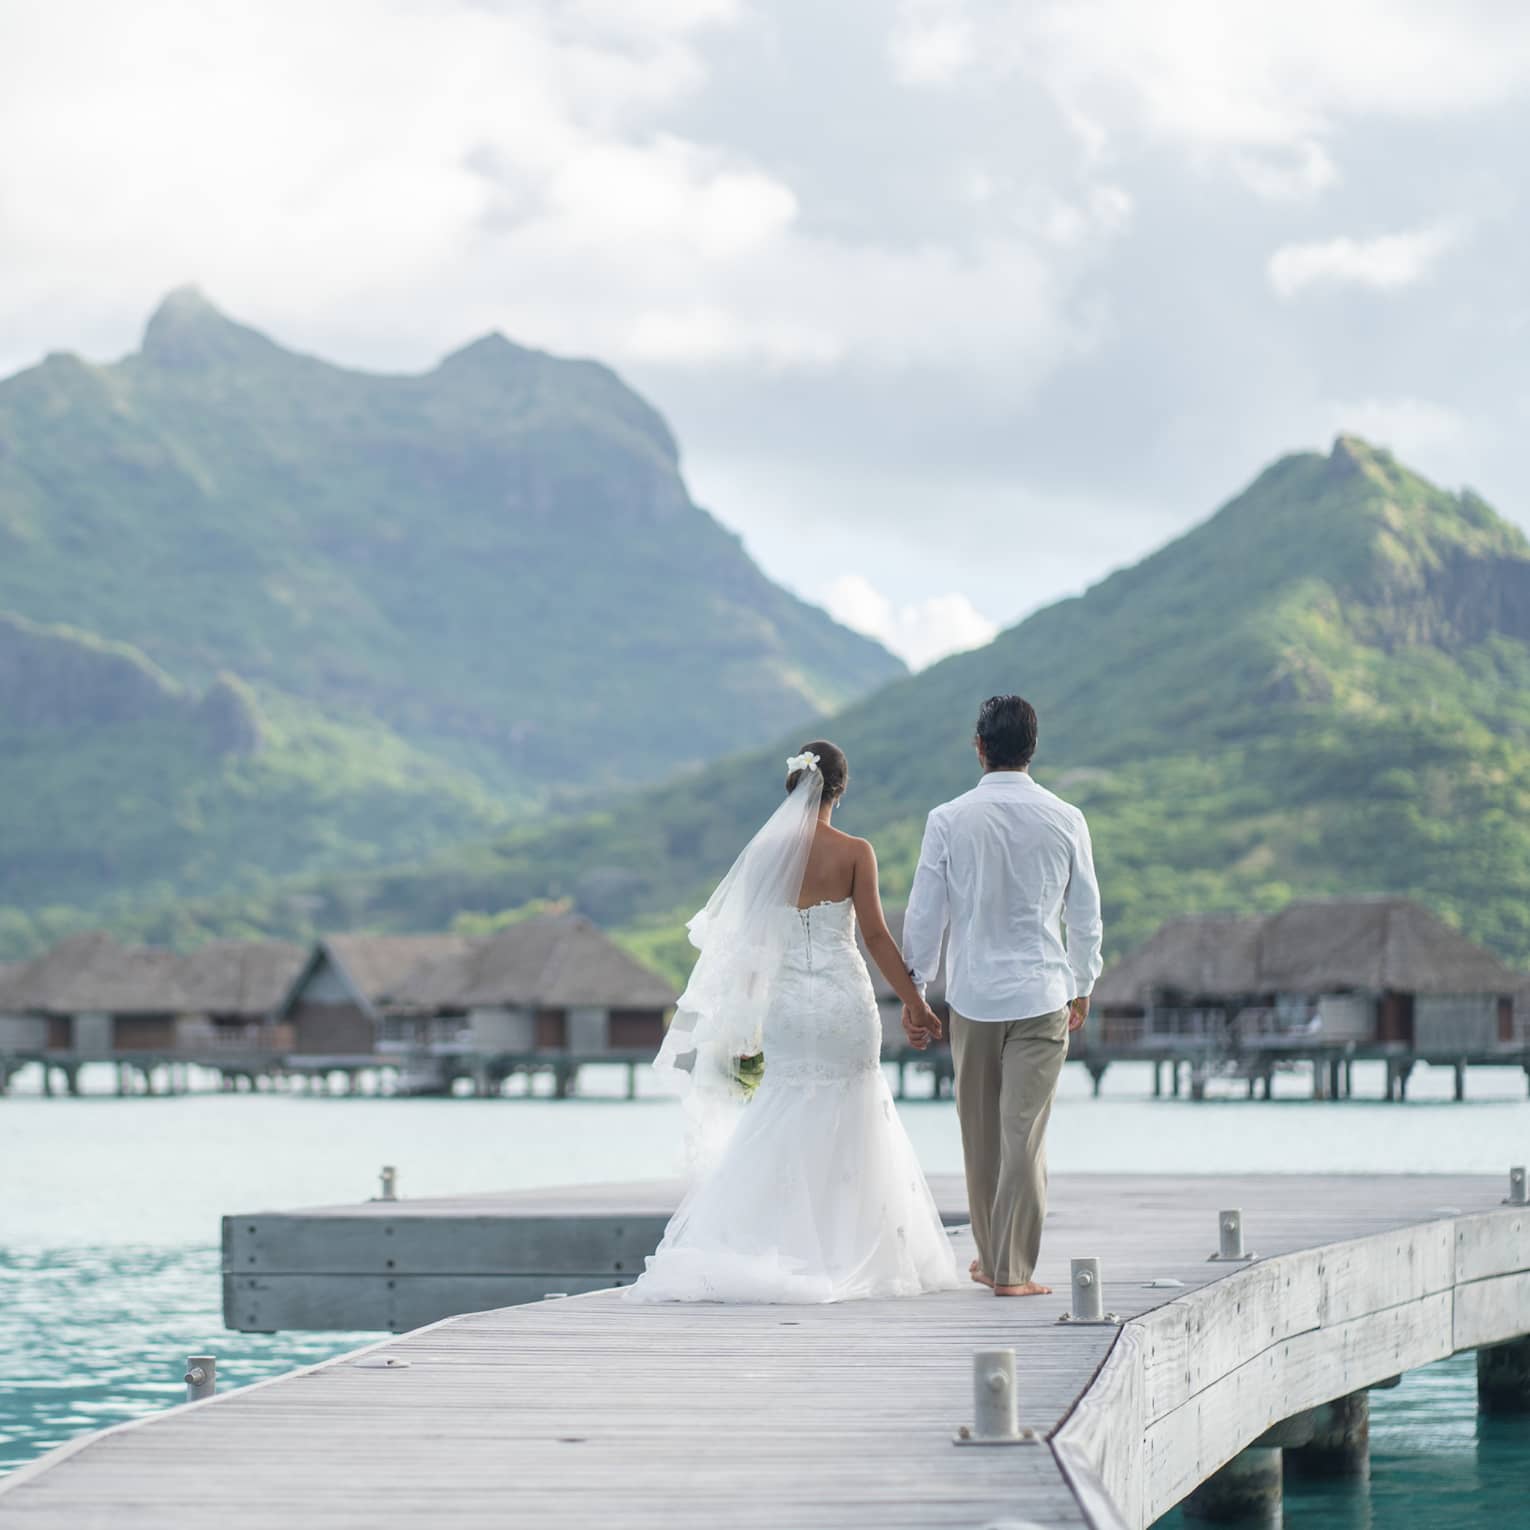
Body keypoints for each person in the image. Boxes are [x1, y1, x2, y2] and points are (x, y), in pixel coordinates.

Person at [626, 740, 960, 1303]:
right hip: (842, 1004)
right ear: (840, 789)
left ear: (795, 785)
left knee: (783, 1106)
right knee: (855, 1108)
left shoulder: (764, 857)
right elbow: (876, 937)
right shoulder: (856, 851)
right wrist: (915, 1002)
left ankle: (774, 1243)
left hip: (785, 1004)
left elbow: (750, 947)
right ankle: (851, 1249)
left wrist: (743, 1022)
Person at [901, 696, 1103, 1297]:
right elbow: (1085, 914)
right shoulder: (1066, 818)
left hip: (974, 999)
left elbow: (925, 914)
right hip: (1043, 994)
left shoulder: (948, 818)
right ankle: (1005, 1269)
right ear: (1032, 748)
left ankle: (999, 1263)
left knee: (981, 1136)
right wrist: (1083, 980)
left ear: (980, 746)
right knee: (1024, 1134)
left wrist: (917, 992)